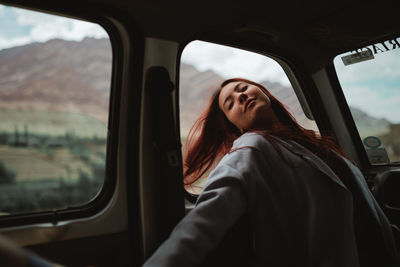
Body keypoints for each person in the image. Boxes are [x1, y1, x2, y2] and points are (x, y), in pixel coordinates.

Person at [143, 78, 398, 266]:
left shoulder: (311, 141)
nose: (240, 96)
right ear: (235, 126)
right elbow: (203, 223)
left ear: (263, 91)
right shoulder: (251, 147)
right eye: (230, 103)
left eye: (242, 88)